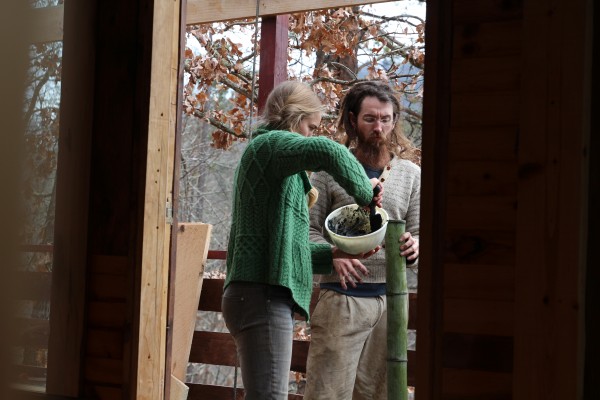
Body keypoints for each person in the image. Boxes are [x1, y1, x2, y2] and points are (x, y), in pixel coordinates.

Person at [221, 80, 384, 400]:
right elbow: (329, 150)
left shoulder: (278, 168)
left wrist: (335, 253)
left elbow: (288, 248)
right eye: (311, 127)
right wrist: (367, 195)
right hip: (261, 295)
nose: (312, 135)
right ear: (295, 119)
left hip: (256, 293)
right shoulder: (268, 146)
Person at [304, 80, 421, 400]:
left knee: (379, 394)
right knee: (328, 392)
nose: (378, 127)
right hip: (341, 298)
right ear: (353, 120)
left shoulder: (410, 173)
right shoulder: (329, 170)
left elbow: (421, 232)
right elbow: (309, 230)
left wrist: (417, 246)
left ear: (395, 121)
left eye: (385, 119)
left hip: (393, 302)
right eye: (370, 119)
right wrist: (334, 255)